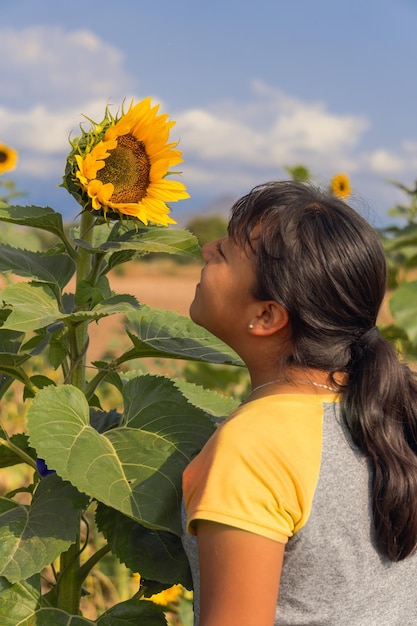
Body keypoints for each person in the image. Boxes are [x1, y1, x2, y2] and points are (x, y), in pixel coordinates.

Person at [181, 180, 417, 626]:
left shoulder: (255, 445)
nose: (208, 247)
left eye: (226, 254)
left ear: (266, 316)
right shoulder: (387, 410)